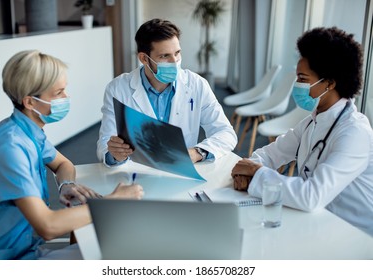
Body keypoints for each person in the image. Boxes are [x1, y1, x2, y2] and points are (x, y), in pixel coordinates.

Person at [0, 50, 144, 260]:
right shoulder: (11, 147)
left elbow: (63, 164)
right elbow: (47, 226)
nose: (66, 97)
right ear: (30, 102)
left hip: (28, 245)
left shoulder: (26, 131)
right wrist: (112, 202)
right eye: (58, 93)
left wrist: (66, 184)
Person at [231, 27, 373, 236]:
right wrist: (250, 168)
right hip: (320, 220)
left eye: (303, 79)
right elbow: (271, 153)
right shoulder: (312, 121)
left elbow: (311, 196)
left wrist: (255, 173)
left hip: (354, 233)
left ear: (330, 83)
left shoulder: (354, 133)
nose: (296, 85)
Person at [97, 18, 237, 166]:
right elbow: (105, 144)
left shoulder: (197, 84)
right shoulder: (118, 88)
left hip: (181, 172)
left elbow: (226, 133)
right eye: (164, 56)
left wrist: (197, 153)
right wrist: (115, 154)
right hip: (137, 175)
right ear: (144, 58)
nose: (174, 61)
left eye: (177, 53)